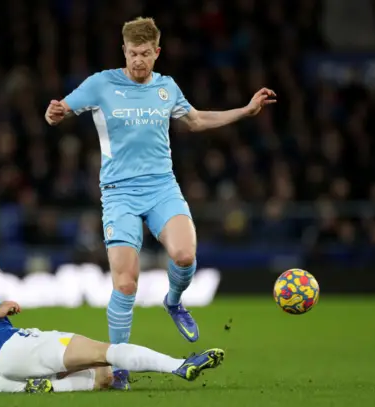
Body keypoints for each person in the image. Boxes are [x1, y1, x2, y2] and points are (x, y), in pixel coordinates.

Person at [44, 16, 275, 389]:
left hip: (162, 188)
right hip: (119, 193)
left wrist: (244, 111)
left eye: (146, 54)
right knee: (125, 284)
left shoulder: (166, 88)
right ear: (124, 51)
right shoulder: (101, 84)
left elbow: (196, 121)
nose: (139, 60)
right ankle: (119, 367)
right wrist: (52, 114)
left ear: (157, 53)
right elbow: (58, 111)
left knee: (185, 257)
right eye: (133, 53)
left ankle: (173, 300)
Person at [0, 235, 225, 393]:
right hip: (16, 347)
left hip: (3, 374)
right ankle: (180, 365)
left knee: (103, 376)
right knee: (107, 351)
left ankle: (44, 389)